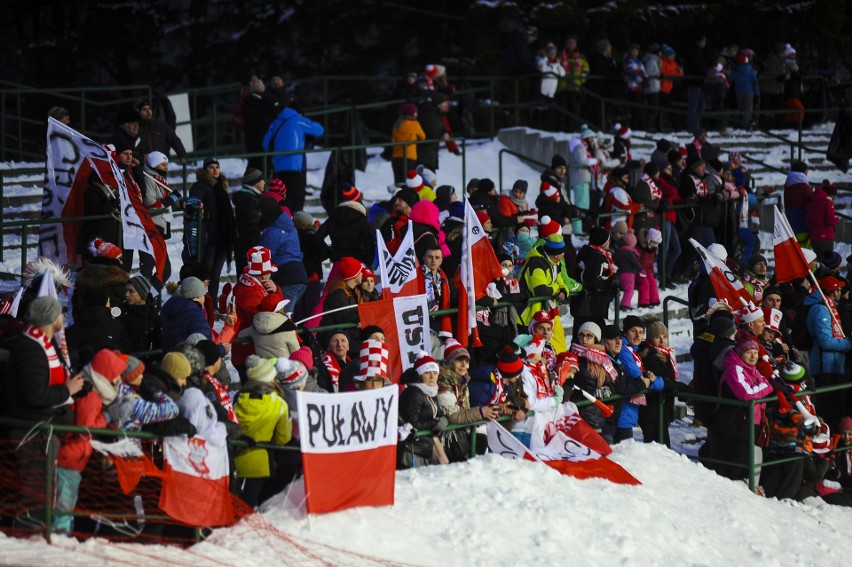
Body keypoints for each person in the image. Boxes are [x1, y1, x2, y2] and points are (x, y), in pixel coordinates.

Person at [706, 334, 772, 482]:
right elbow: (747, 394)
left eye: (756, 352)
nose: (753, 356)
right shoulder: (734, 369)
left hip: (747, 423)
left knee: (744, 462)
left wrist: (764, 387)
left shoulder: (752, 370)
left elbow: (764, 383)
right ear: (741, 353)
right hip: (733, 425)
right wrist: (765, 387)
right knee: (732, 465)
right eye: (749, 352)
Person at [233, 355, 293, 508]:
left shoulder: (238, 399)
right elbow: (283, 438)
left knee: (235, 504)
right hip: (263, 461)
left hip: (236, 458)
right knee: (250, 506)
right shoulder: (278, 403)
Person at [805, 276, 852, 431]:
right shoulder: (821, 309)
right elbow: (825, 341)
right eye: (838, 288)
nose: (841, 292)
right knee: (828, 410)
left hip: (834, 366)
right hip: (824, 368)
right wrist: (848, 344)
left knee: (836, 409)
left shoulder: (831, 307)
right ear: (834, 291)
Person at [189, 157, 237, 303]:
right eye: (211, 167)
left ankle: (212, 303)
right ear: (205, 170)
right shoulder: (199, 186)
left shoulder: (221, 186)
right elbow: (193, 207)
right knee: (205, 272)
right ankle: (200, 301)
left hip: (222, 237)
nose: (215, 169)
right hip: (208, 238)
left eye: (217, 166)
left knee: (215, 273)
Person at [263, 105, 324, 212]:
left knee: (281, 198)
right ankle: (293, 225)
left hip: (278, 166)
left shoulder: (275, 123)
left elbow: (265, 144)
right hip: (294, 166)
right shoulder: (298, 120)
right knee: (295, 199)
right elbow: (319, 130)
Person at [398, 352, 451, 469]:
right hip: (412, 449)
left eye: (435, 373)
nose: (432, 377)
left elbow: (440, 414)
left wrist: (444, 419)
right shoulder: (413, 392)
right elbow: (412, 422)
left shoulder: (431, 391)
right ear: (420, 375)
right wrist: (435, 423)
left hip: (426, 445)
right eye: (427, 373)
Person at [615, 316, 662, 443]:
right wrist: (660, 382)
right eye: (633, 331)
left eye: (641, 332)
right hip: (622, 415)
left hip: (628, 414)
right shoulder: (624, 350)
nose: (637, 336)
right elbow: (638, 376)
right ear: (625, 332)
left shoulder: (634, 350)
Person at [257, 196, 308, 308]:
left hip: (287, 278)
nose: (259, 216)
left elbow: (263, 257)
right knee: (285, 315)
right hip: (300, 274)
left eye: (260, 212)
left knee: (282, 317)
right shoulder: (290, 227)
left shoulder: (272, 232)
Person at [571, 226, 618, 338]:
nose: (610, 242)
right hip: (589, 306)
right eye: (608, 239)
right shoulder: (595, 257)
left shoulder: (590, 252)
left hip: (590, 306)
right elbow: (592, 280)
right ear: (602, 242)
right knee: (588, 337)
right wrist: (610, 287)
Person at [160, 277, 212, 351]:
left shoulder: (171, 308)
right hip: (189, 359)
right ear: (197, 295)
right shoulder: (195, 314)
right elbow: (206, 347)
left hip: (171, 358)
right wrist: (222, 349)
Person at [232, 168, 267, 274]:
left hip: (249, 248)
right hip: (250, 250)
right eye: (261, 180)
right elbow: (250, 227)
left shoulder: (251, 198)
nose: (264, 182)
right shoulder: (248, 200)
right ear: (256, 182)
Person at [390, 102, 426, 183]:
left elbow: (393, 141)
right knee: (409, 182)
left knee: (398, 182)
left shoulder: (397, 124)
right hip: (409, 156)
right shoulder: (415, 124)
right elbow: (423, 137)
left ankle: (398, 195)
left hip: (396, 157)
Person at [806, 179, 840, 259]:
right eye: (834, 197)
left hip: (814, 238)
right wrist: (837, 219)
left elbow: (807, 222)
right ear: (831, 195)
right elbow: (830, 220)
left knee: (818, 265)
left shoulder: (810, 203)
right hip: (826, 237)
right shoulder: (828, 202)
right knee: (827, 263)